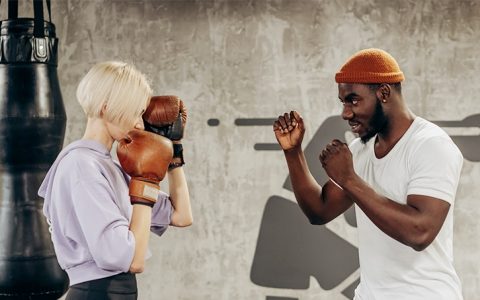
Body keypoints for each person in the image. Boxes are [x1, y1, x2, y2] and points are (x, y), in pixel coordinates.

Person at [273, 48, 463, 299]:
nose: (346, 113)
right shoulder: (361, 151)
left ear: (384, 93)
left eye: (353, 100)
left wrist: (349, 179)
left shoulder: (430, 145)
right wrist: (293, 152)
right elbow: (319, 211)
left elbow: (420, 232)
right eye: (343, 102)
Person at [38, 61, 193, 299]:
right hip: (95, 293)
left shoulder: (112, 167)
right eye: (135, 112)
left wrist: (174, 152)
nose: (140, 124)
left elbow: (181, 216)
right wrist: (145, 183)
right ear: (105, 107)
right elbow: (131, 260)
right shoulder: (81, 165)